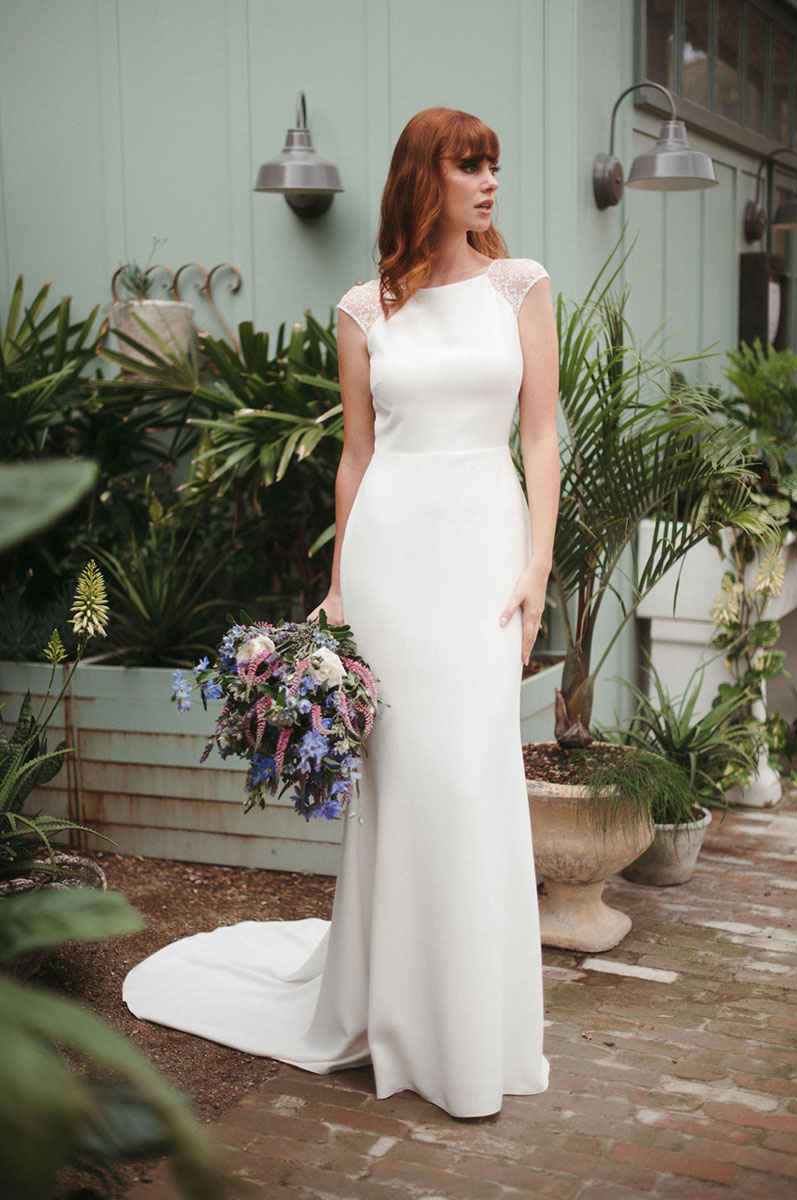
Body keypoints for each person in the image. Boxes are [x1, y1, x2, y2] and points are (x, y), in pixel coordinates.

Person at [123, 106, 559, 1119]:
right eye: (468, 164)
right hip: (392, 561)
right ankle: (400, 1024)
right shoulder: (364, 309)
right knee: (406, 784)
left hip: (486, 553)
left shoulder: (520, 287)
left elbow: (539, 439)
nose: (489, 181)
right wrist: (336, 586)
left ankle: (476, 1028)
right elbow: (356, 457)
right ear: (425, 178)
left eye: (493, 164)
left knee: (467, 778)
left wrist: (538, 564)